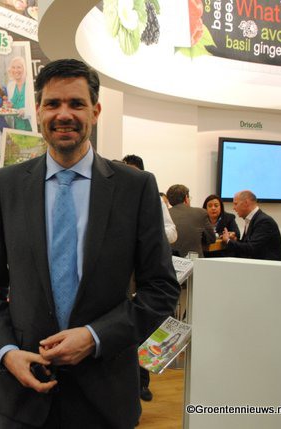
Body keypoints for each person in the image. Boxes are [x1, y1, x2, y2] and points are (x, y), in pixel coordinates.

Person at [0, 59, 180, 428]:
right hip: (24, 393)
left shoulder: (136, 188)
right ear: (39, 111)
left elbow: (161, 289)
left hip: (106, 396)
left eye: (76, 103)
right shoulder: (7, 185)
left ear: (95, 112)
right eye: (53, 103)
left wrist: (95, 336)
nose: (63, 114)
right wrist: (5, 352)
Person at [122, 154, 176, 403]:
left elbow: (171, 232)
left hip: (143, 273)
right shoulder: (113, 195)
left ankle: (142, 382)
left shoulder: (152, 197)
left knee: (141, 329)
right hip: (120, 273)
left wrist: (147, 234)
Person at [123, 154, 177, 245]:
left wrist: (150, 233)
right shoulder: (117, 198)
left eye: (134, 174)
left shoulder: (155, 199)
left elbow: (172, 233)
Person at [221, 190, 281, 261]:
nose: (234, 208)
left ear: (246, 203)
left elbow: (251, 248)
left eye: (236, 204)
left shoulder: (264, 221)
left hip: (267, 266)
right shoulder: (253, 219)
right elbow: (248, 245)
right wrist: (235, 240)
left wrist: (228, 241)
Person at [167, 184, 216, 258]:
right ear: (186, 198)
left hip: (170, 261)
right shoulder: (200, 213)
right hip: (194, 262)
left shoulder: (164, 214)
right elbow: (211, 239)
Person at [6, 56, 33, 131]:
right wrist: (9, 106)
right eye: (13, 67)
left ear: (24, 68)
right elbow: (11, 105)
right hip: (17, 127)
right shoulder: (10, 86)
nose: (16, 70)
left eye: (19, 67)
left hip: (30, 127)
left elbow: (37, 106)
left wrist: (26, 111)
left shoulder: (30, 84)